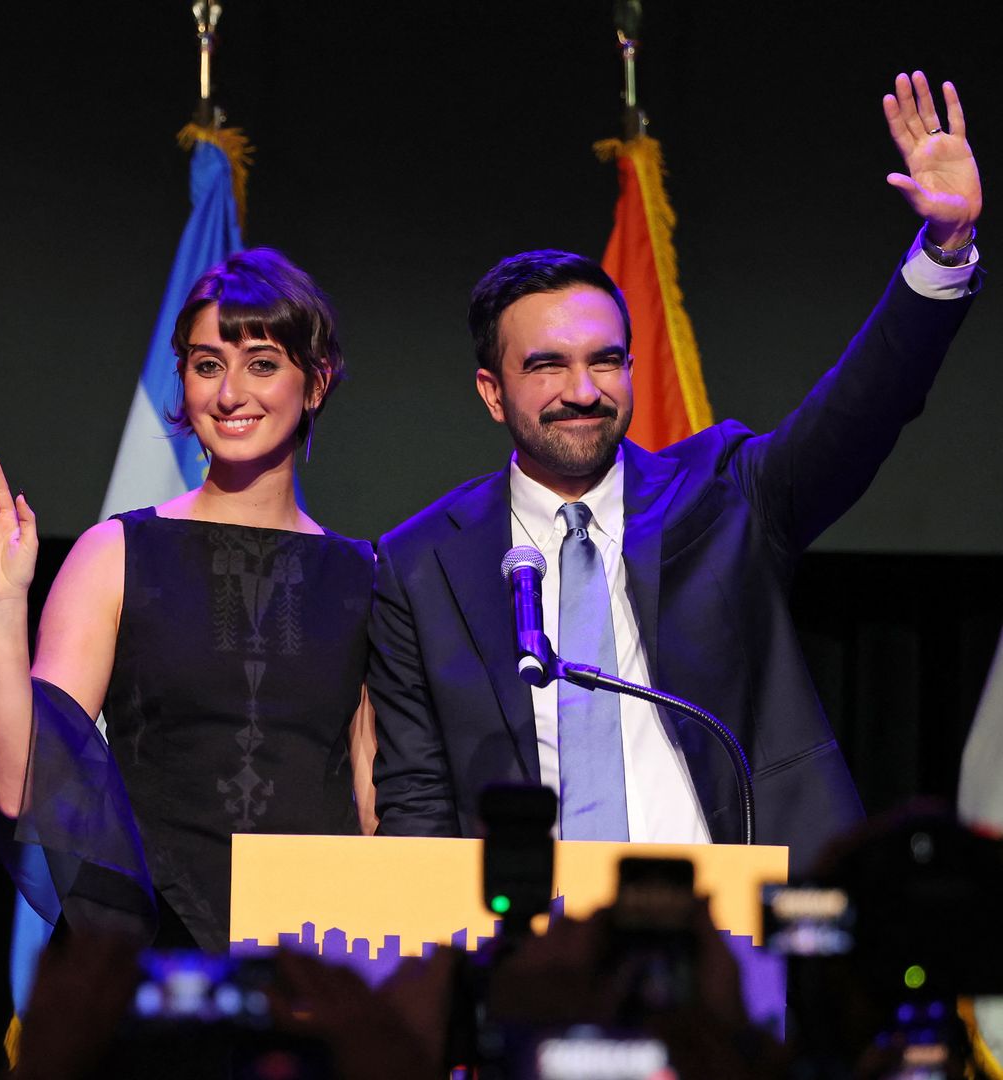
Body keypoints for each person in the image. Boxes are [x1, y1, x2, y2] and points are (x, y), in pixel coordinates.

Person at [367, 71, 983, 874]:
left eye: (607, 361)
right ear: (493, 391)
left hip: (734, 926)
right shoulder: (420, 565)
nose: (583, 392)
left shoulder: (726, 495)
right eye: (547, 366)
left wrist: (945, 252)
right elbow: (417, 801)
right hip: (536, 951)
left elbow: (861, 413)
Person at [0, 248, 378, 951]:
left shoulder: (366, 575)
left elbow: (374, 803)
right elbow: (22, 784)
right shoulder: (116, 554)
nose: (229, 393)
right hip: (148, 956)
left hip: (316, 956)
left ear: (316, 383)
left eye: (262, 362)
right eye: (207, 365)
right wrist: (1, 606)